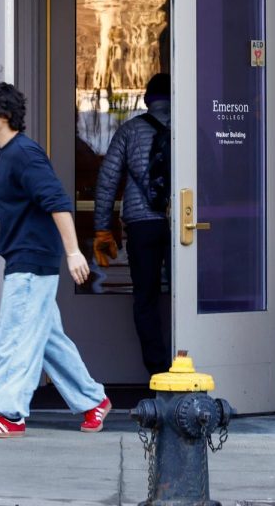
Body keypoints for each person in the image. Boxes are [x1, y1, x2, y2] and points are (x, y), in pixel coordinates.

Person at [0, 81, 110, 439]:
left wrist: (75, 252)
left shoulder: (23, 154)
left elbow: (58, 202)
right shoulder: (11, 154)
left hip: (31, 263)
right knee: (46, 339)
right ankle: (93, 401)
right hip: (28, 256)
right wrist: (2, 214)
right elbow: (33, 206)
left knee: (15, 336)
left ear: (4, 114)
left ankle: (8, 414)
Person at [92, 73, 172, 376]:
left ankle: (158, 372)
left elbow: (107, 182)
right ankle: (187, 365)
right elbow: (214, 176)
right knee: (187, 297)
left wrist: (102, 229)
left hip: (142, 226)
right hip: (183, 225)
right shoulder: (190, 127)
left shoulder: (129, 131)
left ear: (146, 100)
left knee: (146, 299)